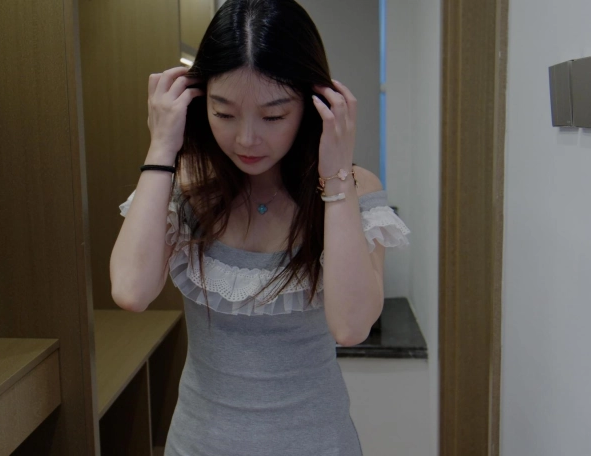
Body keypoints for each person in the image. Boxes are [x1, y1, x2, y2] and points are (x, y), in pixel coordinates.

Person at [110, 0, 410, 454]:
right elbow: (131, 291)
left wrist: (334, 177)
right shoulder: (187, 184)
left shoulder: (354, 188)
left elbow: (351, 327)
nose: (247, 139)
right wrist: (162, 148)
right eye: (224, 113)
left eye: (273, 116)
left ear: (312, 106)